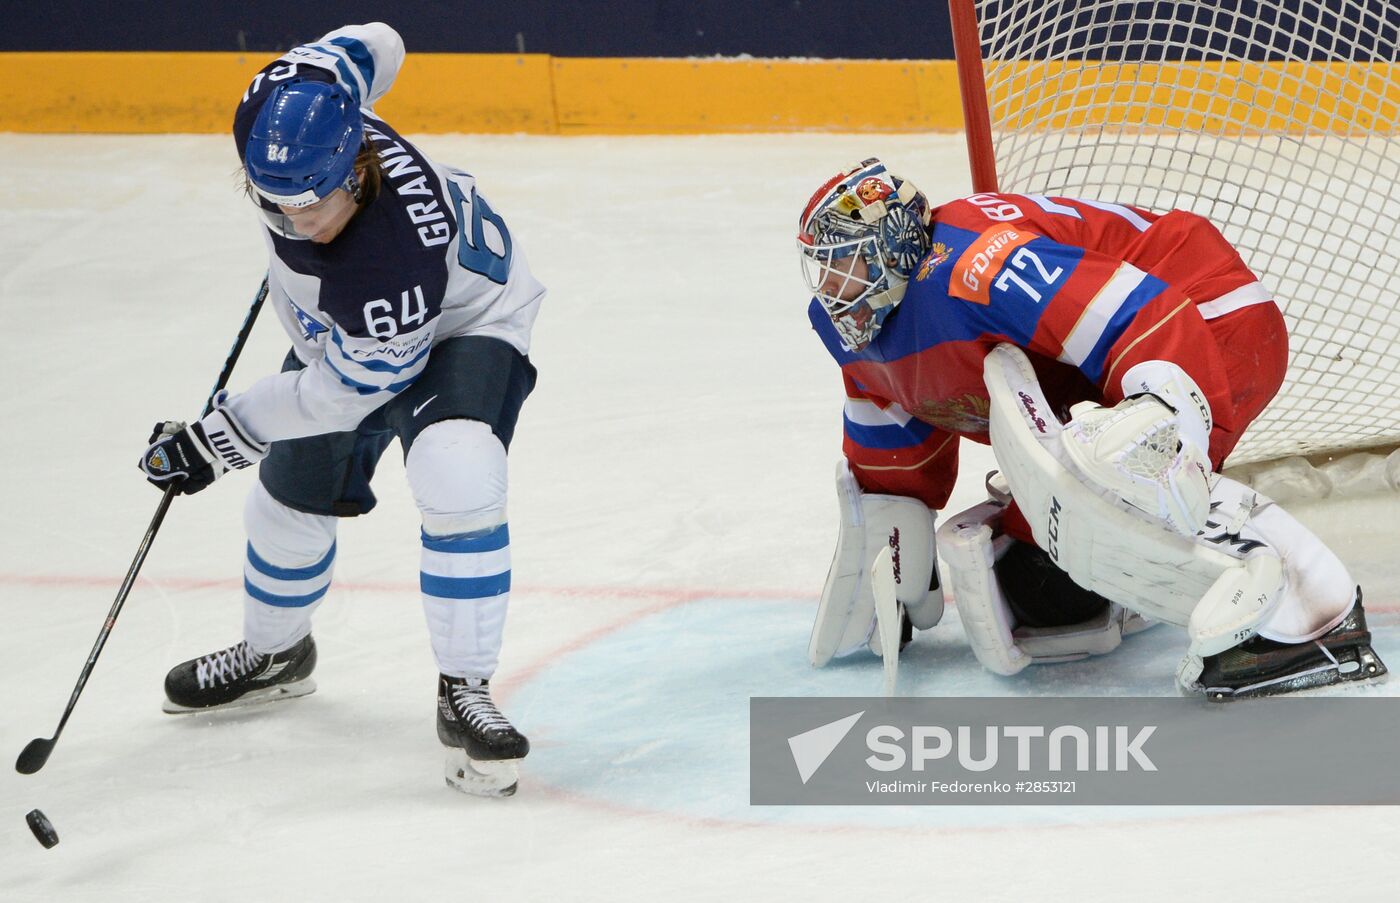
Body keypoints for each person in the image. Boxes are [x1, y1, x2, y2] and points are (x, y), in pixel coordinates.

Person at [798, 157, 1386, 699]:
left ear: (894, 247)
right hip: (1115, 358)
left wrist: (1158, 419)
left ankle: (1313, 620)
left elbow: (1136, 311)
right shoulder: (859, 324)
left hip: (1202, 312)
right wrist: (890, 519)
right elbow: (895, 422)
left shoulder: (978, 267)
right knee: (1046, 598)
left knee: (1137, 461)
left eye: (844, 265)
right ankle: (1147, 557)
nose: (831, 289)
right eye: (822, 270)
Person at [137, 23, 543, 795]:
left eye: (310, 208)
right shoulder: (280, 108)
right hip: (346, 331)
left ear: (359, 170)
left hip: (462, 320)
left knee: (457, 469)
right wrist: (344, 76)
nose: (292, 225)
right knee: (287, 499)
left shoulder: (388, 266)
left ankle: (465, 689)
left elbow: (339, 393)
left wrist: (215, 439)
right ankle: (276, 653)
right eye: (273, 205)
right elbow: (378, 41)